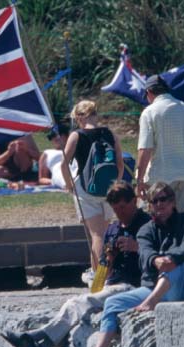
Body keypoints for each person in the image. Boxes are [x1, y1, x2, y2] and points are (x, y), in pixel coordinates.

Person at [0, 181, 151, 347]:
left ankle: (34, 337)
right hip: (112, 286)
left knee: (77, 303)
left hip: (134, 286)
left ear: (134, 202)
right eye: (115, 208)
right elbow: (102, 276)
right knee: (78, 303)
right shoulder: (112, 229)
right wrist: (109, 259)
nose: (120, 212)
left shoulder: (146, 225)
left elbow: (158, 259)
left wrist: (136, 247)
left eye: (123, 207)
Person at [74, 182, 184, 347]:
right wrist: (153, 260)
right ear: (149, 205)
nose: (160, 204)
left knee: (175, 264)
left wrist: (168, 259)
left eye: (164, 199)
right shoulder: (146, 230)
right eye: (155, 201)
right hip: (154, 287)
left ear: (173, 202)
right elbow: (145, 252)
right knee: (111, 304)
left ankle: (150, 303)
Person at [61, 100, 124, 273]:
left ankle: (99, 276)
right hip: (109, 189)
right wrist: (115, 184)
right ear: (95, 114)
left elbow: (63, 164)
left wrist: (69, 185)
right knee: (105, 233)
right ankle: (106, 272)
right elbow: (120, 164)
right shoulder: (110, 134)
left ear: (79, 117)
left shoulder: (76, 135)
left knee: (97, 235)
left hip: (86, 188)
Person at [136, 75, 184, 213]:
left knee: (155, 220)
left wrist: (139, 181)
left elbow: (145, 149)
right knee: (180, 221)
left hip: (159, 177)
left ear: (149, 92)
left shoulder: (149, 112)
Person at [38, 124, 77, 189]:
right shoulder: (47, 153)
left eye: (57, 135)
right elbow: (42, 179)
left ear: (67, 135)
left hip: (75, 168)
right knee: (59, 173)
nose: (55, 138)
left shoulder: (75, 149)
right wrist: (53, 181)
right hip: (59, 174)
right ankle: (68, 184)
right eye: (51, 137)